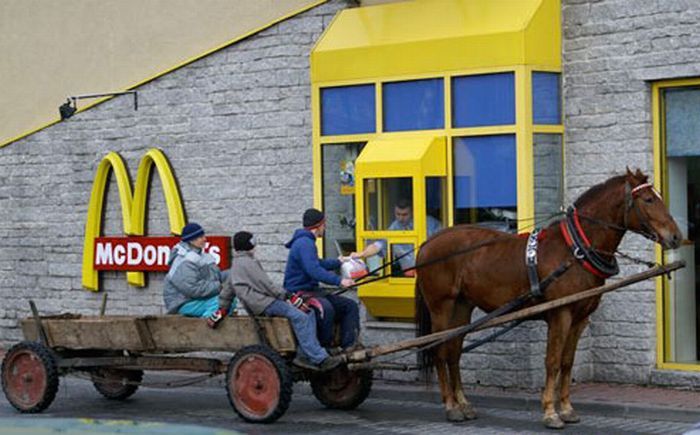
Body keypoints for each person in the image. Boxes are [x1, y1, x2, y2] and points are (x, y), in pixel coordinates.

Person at [209, 231, 342, 370]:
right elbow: (267, 286)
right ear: (250, 245)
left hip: (259, 303)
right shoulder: (248, 263)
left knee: (307, 313)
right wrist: (288, 296)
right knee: (302, 315)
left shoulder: (235, 265)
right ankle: (317, 357)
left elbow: (227, 292)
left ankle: (306, 352)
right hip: (264, 303)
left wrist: (222, 309)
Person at [284, 208, 359, 350]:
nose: (325, 228)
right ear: (318, 225)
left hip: (312, 291)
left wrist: (339, 261)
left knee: (350, 306)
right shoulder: (305, 243)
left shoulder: (306, 242)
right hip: (299, 293)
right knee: (326, 309)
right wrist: (339, 281)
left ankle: (348, 347)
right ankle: (323, 350)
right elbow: (314, 270)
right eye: (324, 224)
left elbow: (317, 263)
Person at [354, 199, 442, 272]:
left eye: (404, 215)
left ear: (413, 212)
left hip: (429, 271)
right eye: (398, 214)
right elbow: (378, 245)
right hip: (406, 274)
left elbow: (442, 243)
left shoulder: (430, 224)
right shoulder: (395, 227)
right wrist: (362, 254)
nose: (400, 218)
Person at [163, 222, 231, 317]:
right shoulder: (185, 260)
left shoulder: (202, 256)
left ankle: (210, 326)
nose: (205, 239)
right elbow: (193, 289)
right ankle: (203, 329)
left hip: (197, 300)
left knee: (229, 301)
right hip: (183, 303)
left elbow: (216, 276)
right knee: (221, 302)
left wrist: (232, 275)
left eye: (204, 236)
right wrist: (220, 286)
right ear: (191, 240)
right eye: (200, 237)